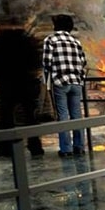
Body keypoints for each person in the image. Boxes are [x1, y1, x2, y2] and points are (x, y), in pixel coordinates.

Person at [0, 18, 45, 157]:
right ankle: (35, 148)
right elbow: (36, 61)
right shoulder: (27, 40)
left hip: (7, 85)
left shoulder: (1, 40)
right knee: (31, 117)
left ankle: (6, 149)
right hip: (27, 83)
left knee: (6, 118)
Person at [42, 13, 88, 158]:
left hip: (60, 82)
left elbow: (46, 62)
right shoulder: (76, 42)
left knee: (63, 116)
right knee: (77, 115)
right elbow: (83, 62)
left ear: (56, 26)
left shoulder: (50, 40)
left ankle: (66, 149)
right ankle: (79, 147)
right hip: (76, 82)